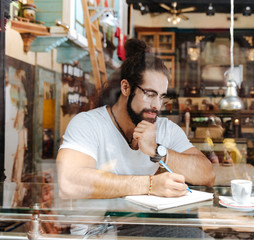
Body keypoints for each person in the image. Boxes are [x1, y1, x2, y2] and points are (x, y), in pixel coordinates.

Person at [56, 38, 215, 200]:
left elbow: (207, 175)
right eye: (150, 94)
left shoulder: (165, 129)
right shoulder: (88, 124)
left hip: (141, 223)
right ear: (126, 88)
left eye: (161, 97)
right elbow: (68, 183)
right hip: (96, 224)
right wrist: (150, 185)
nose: (157, 106)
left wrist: (157, 151)